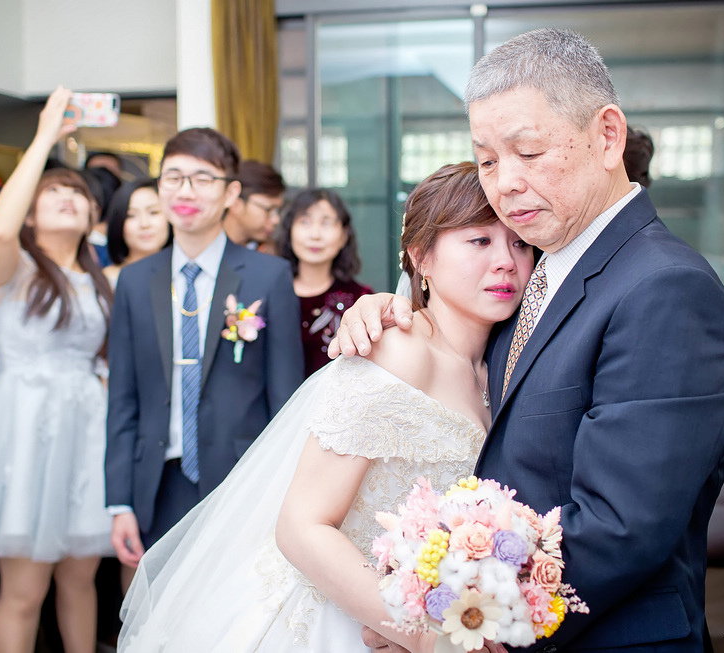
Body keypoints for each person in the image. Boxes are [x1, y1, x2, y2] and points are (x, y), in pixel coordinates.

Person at [334, 28, 724, 653]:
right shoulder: (538, 267)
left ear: (608, 137)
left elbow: (619, 526)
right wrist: (394, 306)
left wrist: (467, 624)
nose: (504, 184)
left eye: (528, 152)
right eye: (488, 159)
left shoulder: (667, 289)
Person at [117, 161, 534, 652]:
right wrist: (427, 635)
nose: (506, 260)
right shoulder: (397, 350)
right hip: (336, 618)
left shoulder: (501, 366)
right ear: (421, 255)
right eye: (479, 241)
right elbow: (301, 526)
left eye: (519, 243)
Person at [0, 86, 115, 653]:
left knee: (81, 578)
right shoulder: (12, 272)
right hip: (26, 428)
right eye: (53, 192)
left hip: (86, 427)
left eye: (77, 193)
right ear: (31, 210)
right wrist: (45, 137)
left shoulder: (103, 281)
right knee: (24, 587)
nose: (67, 198)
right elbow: (2, 231)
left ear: (92, 214)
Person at [104, 128, 304, 587]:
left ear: (232, 192)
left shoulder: (267, 276)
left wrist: (283, 495)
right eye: (173, 177)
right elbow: (123, 400)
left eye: (202, 178)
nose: (185, 191)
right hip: (156, 481)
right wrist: (119, 503)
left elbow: (286, 401)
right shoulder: (135, 281)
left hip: (242, 480)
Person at [275, 188, 373, 376]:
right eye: (305, 222)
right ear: (290, 231)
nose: (315, 235)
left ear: (344, 235)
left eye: (326, 223)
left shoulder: (360, 298)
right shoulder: (271, 292)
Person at [102, 178, 172, 287]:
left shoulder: (183, 276)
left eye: (153, 212)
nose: (144, 224)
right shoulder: (106, 280)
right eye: (131, 215)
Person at [221, 159, 286, 250]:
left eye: (277, 211)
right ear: (235, 203)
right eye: (268, 210)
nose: (276, 220)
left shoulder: (270, 254)